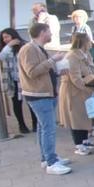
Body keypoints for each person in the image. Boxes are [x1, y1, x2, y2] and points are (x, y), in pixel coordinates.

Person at [19, 23, 70, 173]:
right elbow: (32, 72)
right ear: (42, 33)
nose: (51, 35)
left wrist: (57, 72)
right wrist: (52, 60)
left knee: (43, 128)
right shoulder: (29, 49)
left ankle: (47, 158)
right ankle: (51, 163)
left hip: (45, 93)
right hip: (38, 95)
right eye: (49, 32)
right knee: (49, 129)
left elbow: (43, 70)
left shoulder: (38, 48)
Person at [58, 32, 94, 157]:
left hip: (86, 90)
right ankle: (79, 145)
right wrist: (89, 87)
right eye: (89, 40)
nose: (90, 43)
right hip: (74, 92)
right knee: (76, 118)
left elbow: (92, 70)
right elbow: (76, 79)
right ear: (84, 42)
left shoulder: (86, 54)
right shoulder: (72, 56)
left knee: (85, 117)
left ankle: (85, 141)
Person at [0, 28, 34, 134]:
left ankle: (35, 123)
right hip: (13, 80)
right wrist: (8, 46)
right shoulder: (4, 48)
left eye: (7, 37)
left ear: (13, 36)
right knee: (17, 103)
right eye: (3, 38)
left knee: (31, 102)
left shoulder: (24, 45)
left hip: (25, 79)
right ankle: (21, 125)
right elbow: (0, 57)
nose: (5, 40)